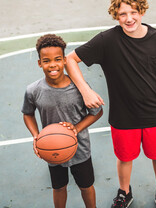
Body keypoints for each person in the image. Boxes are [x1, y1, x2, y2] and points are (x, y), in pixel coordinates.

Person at [65, 0, 156, 208]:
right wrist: (85, 90)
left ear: (142, 11)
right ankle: (124, 192)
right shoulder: (107, 40)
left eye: (133, 12)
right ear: (115, 15)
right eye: (122, 14)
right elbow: (70, 60)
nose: (129, 19)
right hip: (123, 115)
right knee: (125, 158)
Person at [21, 34, 103, 208]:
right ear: (39, 63)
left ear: (65, 61)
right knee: (59, 187)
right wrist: (36, 136)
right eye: (46, 60)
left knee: (86, 186)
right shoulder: (33, 90)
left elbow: (97, 112)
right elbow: (27, 113)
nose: (53, 65)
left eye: (57, 59)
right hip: (51, 149)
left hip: (80, 149)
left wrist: (76, 128)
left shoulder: (80, 87)